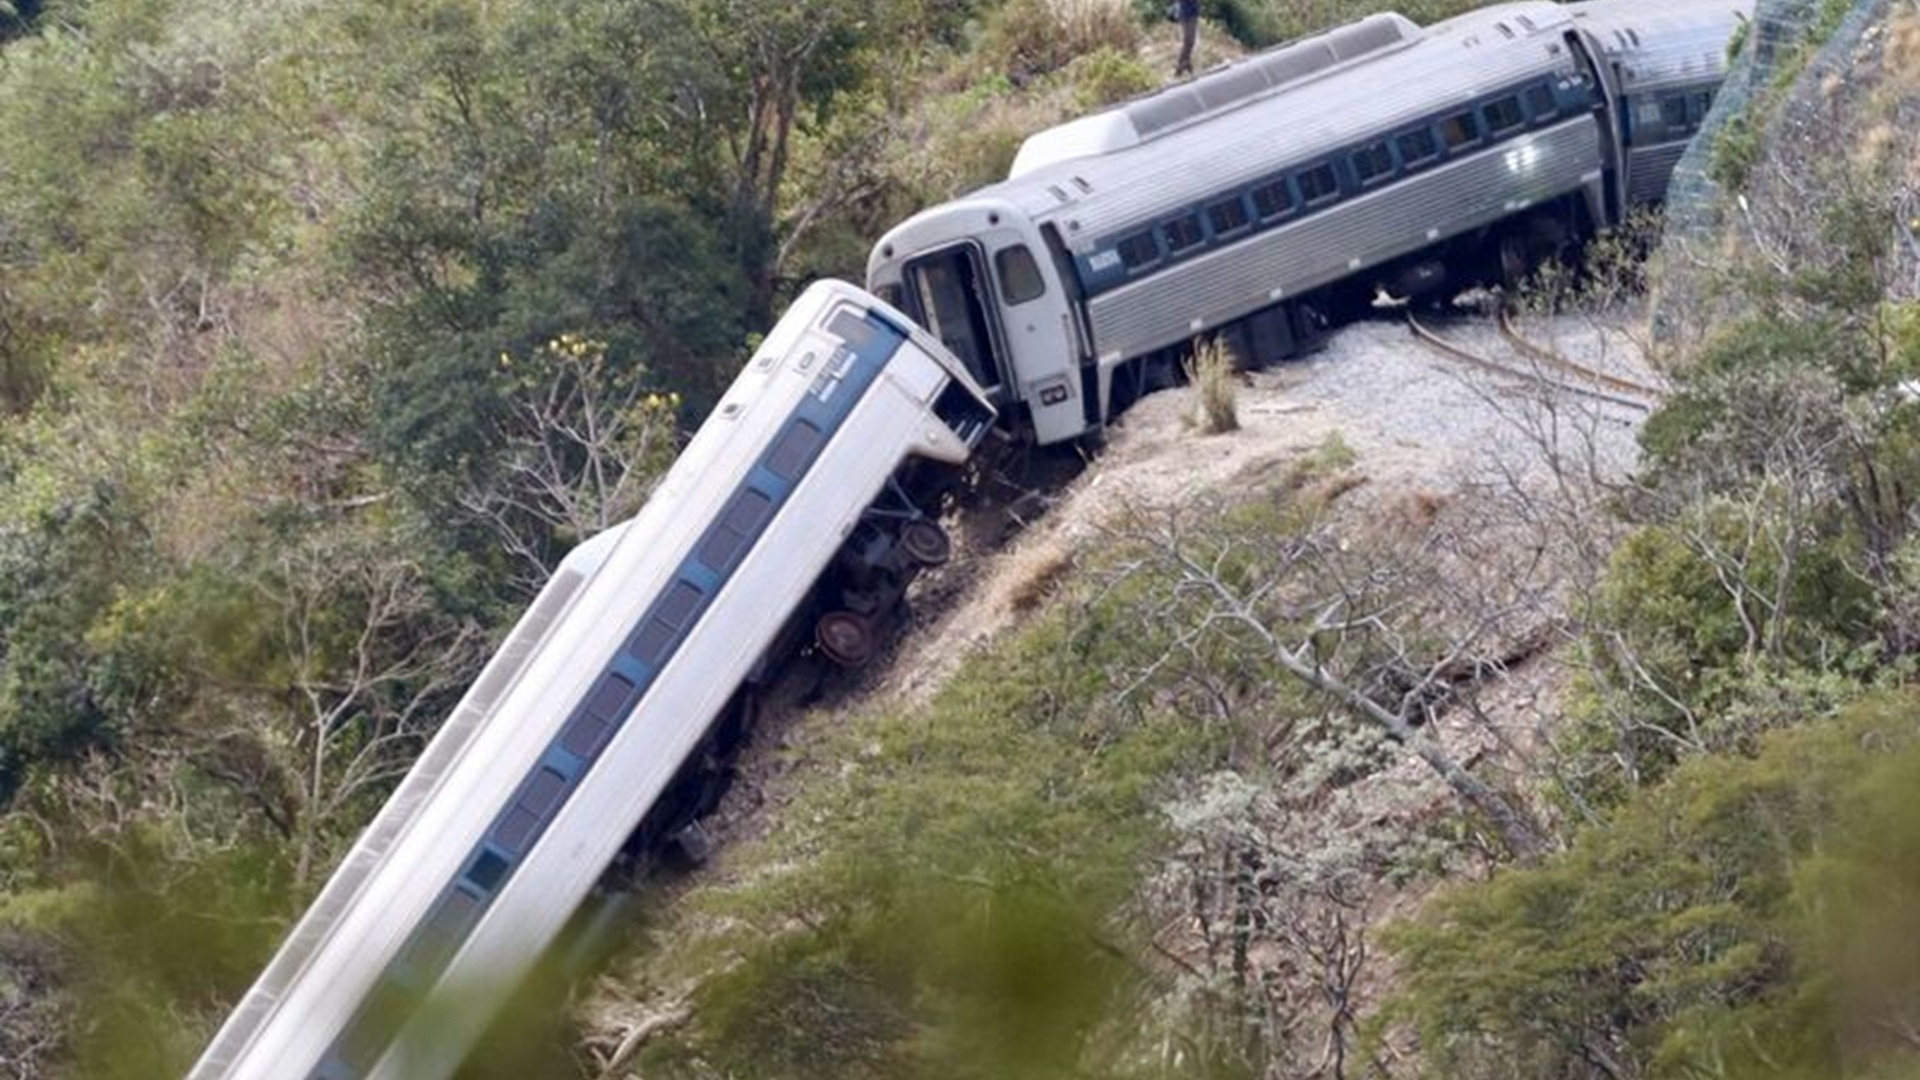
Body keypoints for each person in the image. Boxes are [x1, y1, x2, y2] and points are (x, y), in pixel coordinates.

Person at [1174, 0, 1200, 77]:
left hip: (1190, 11)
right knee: (1189, 41)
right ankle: (1181, 64)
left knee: (1189, 41)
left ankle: (1185, 63)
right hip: (1185, 12)